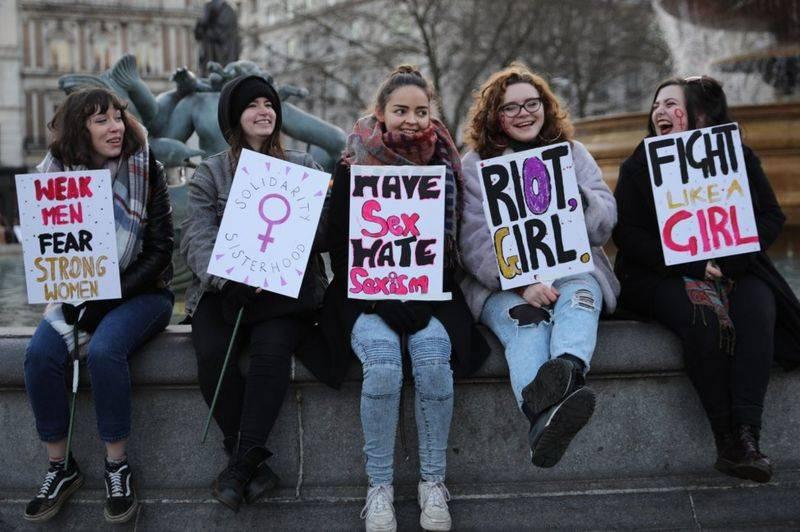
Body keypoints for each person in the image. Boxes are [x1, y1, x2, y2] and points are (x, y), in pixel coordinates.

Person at [322, 65, 489, 532]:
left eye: (421, 111)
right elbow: (338, 246)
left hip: (430, 291)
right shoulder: (352, 164)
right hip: (363, 294)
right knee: (383, 364)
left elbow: (448, 245)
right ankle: (379, 488)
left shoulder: (444, 167)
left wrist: (418, 292)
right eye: (401, 111)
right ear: (380, 114)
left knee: (434, 361)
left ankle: (432, 483)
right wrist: (379, 297)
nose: (412, 120)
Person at [613, 75, 800, 483]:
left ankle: (748, 435)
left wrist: (729, 261)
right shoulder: (639, 162)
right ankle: (726, 438)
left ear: (698, 114)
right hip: (658, 274)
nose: (659, 112)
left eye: (670, 104)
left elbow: (770, 216)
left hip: (736, 267)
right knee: (702, 317)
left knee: (758, 308)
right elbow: (626, 233)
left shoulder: (738, 158)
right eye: (657, 104)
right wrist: (692, 266)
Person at [23, 88, 174, 523]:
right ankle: (60, 467)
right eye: (101, 120)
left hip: (143, 293)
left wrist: (108, 295)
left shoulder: (148, 170)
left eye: (118, 117)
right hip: (77, 293)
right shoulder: (53, 180)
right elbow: (50, 254)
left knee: (107, 351)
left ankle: (116, 466)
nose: (115, 127)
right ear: (79, 129)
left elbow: (161, 251)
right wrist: (76, 292)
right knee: (38, 356)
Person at [180, 74, 330, 512]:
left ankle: (239, 467)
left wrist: (296, 232)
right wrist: (227, 279)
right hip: (226, 289)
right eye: (252, 105)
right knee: (210, 353)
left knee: (271, 351)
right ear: (234, 117)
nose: (264, 111)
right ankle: (251, 464)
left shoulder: (305, 167)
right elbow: (196, 237)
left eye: (269, 104)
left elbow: (325, 232)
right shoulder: (210, 171)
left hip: (285, 291)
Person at [459, 62, 619, 468]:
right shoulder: (474, 165)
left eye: (532, 103)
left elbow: (604, 219)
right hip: (504, 287)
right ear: (494, 115)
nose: (524, 113)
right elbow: (472, 239)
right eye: (511, 108)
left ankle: (565, 370)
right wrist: (521, 283)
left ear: (546, 107)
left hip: (572, 270)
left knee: (583, 296)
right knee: (526, 325)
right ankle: (546, 415)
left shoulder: (573, 154)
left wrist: (579, 198)